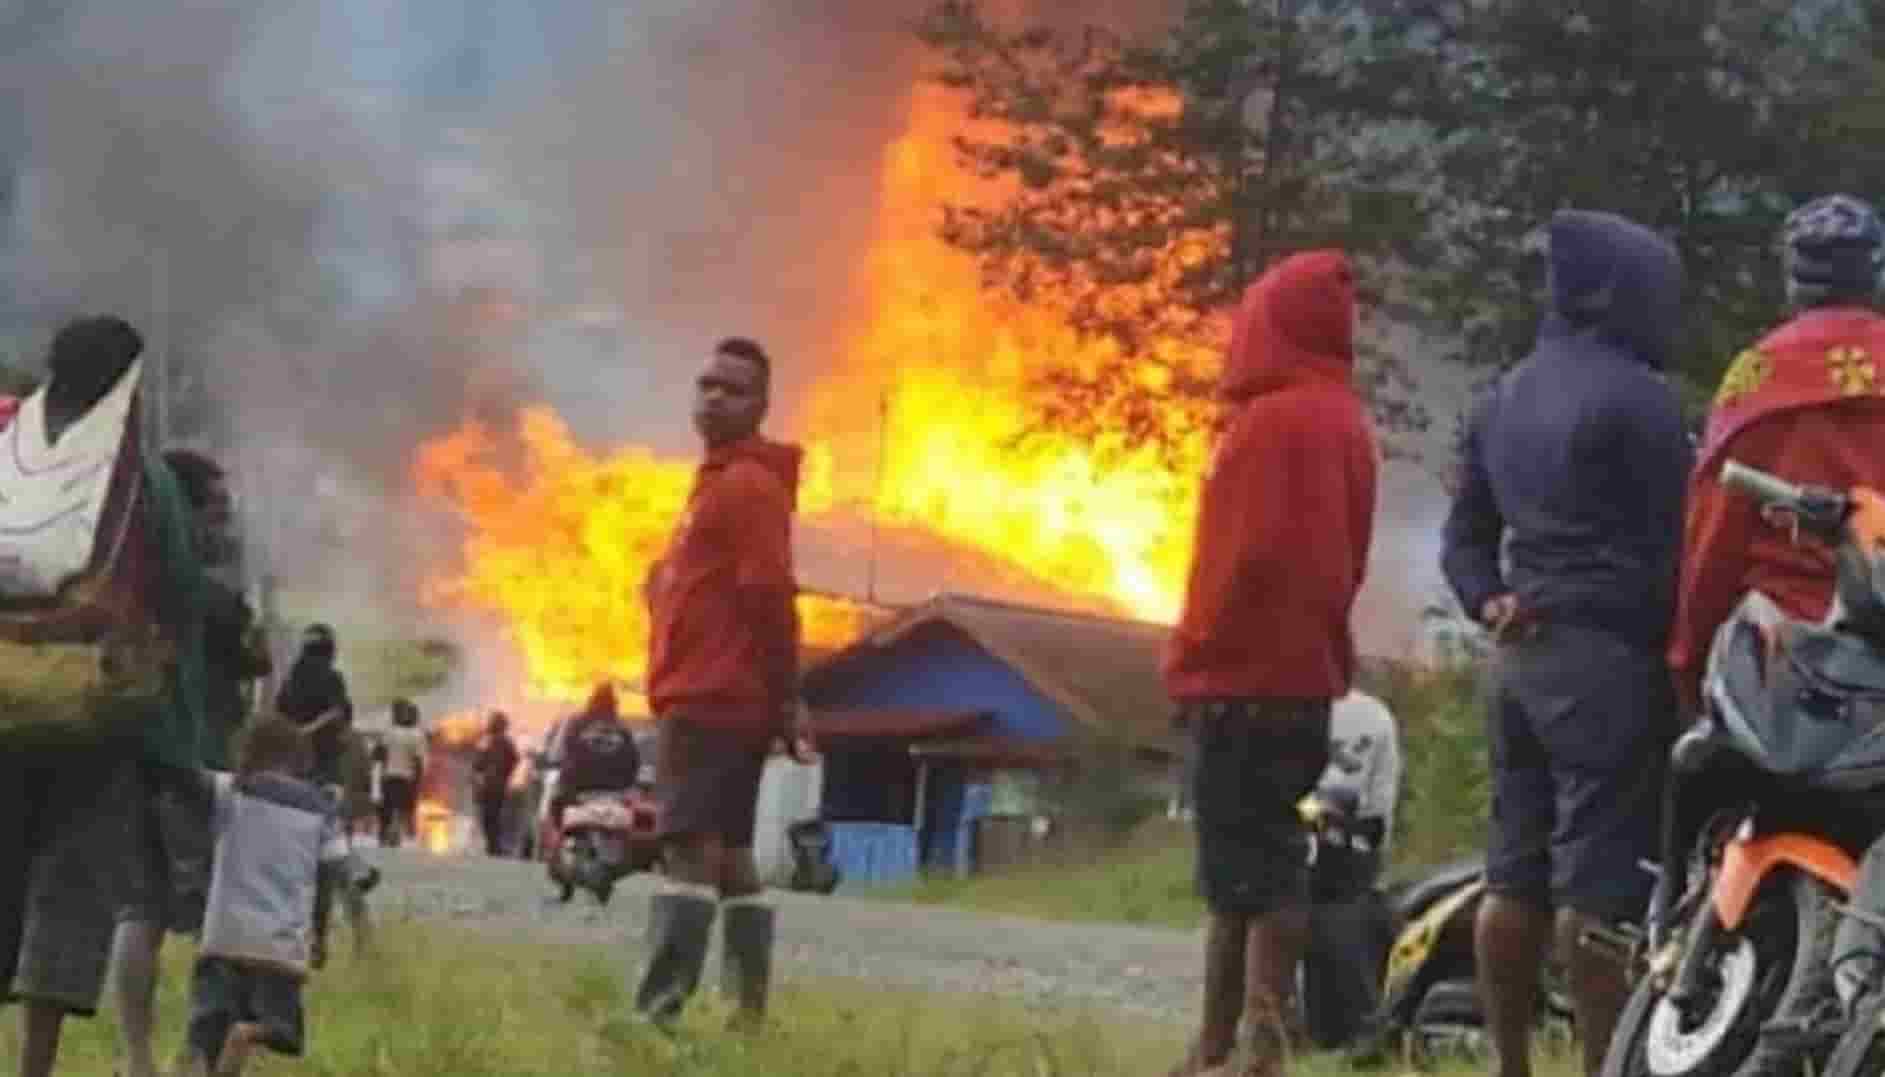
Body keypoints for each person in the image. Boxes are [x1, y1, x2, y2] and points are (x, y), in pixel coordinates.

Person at [1440, 210, 1690, 1077]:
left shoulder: (1500, 396)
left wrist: (1489, 600)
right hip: (1607, 663)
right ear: (1619, 293)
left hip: (1516, 663)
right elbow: (1683, 545)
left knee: (1512, 876)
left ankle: (1509, 1065)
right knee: (1600, 885)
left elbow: (1462, 539)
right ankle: (1601, 1066)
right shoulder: (1642, 399)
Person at [1162, 250, 1378, 1077]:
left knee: (1258, 867)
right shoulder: (1343, 422)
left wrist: (1191, 657)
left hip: (1240, 679)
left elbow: (1235, 561)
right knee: (1242, 867)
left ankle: (1257, 1047)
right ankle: (1213, 1047)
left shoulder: (1269, 423)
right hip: (1303, 679)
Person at [0, 316, 208, 1077]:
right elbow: (182, 597)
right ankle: (34, 1068)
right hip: (94, 725)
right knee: (68, 896)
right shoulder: (142, 480)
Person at [633, 336, 812, 1029]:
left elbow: (770, 595)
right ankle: (744, 1020)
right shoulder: (718, 480)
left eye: (732, 388)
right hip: (720, 693)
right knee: (732, 853)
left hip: (711, 697)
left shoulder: (745, 485)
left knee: (687, 847)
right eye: (706, 383)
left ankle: (658, 1016)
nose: (713, 396)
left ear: (761, 404)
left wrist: (789, 694)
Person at [1669, 194, 1885, 715]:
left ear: (1793, 283)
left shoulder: (1756, 377)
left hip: (1783, 656)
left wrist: (1688, 660)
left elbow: (1714, 537)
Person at [112, 449, 268, 1077]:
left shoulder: (128, 586)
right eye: (215, 510)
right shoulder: (210, 598)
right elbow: (255, 664)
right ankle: (199, 1058)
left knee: (139, 913)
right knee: (218, 920)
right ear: (188, 511)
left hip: (133, 759)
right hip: (197, 770)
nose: (222, 526)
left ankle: (139, 1061)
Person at [175, 717, 331, 1077]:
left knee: (205, 1036)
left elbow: (184, 776)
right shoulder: (317, 808)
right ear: (299, 760)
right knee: (281, 1031)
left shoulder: (229, 790)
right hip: (278, 945)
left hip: (222, 937)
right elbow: (328, 876)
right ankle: (246, 1034)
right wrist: (320, 934)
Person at [1300, 688, 1402, 1050]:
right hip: (1346, 859)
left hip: (1332, 859)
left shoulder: (1370, 717)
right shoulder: (1373, 714)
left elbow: (1368, 815)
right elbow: (1377, 815)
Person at [273, 624, 354, 968]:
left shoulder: (290, 682)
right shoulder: (332, 680)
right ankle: (316, 937)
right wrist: (315, 732)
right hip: (322, 775)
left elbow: (276, 719)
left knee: (289, 858)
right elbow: (340, 717)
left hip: (291, 775)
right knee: (324, 859)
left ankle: (289, 933)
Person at [551, 683, 643, 827]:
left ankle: (555, 844)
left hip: (577, 789)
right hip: (616, 791)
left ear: (591, 700)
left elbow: (561, 753)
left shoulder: (576, 723)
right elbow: (634, 763)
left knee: (554, 806)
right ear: (614, 704)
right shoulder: (623, 729)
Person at [377, 699, 426, 848]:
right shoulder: (417, 735)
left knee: (387, 808)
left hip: (389, 777)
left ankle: (385, 835)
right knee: (404, 808)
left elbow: (381, 755)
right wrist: (418, 781)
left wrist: (380, 774)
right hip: (406, 778)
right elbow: (418, 762)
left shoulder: (389, 732)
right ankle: (403, 834)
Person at [472, 711, 520, 857]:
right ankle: (494, 844)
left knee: (489, 816)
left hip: (489, 785)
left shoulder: (488, 742)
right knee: (494, 815)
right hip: (497, 785)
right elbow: (514, 761)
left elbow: (478, 764)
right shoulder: (506, 743)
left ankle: (493, 844)